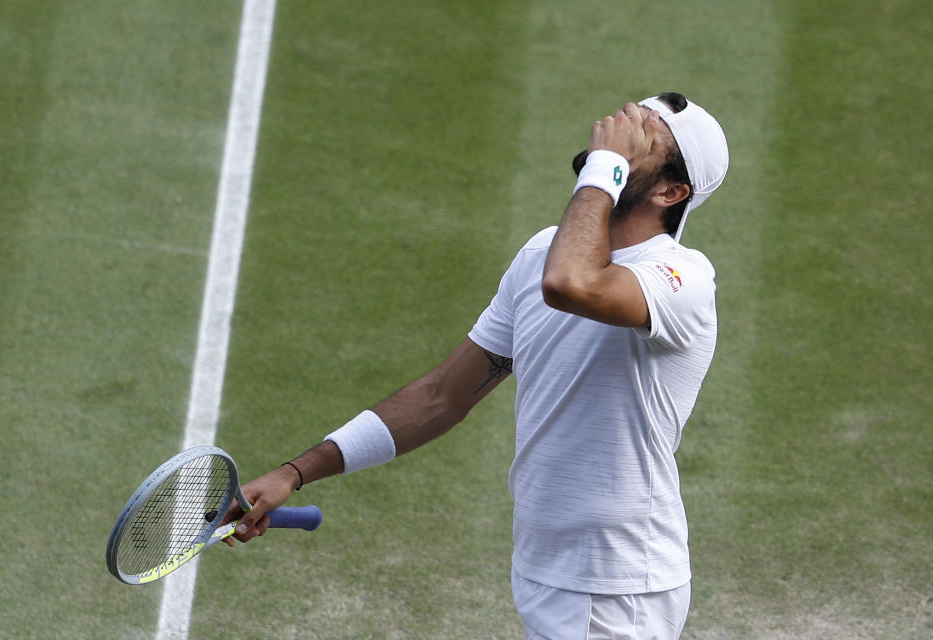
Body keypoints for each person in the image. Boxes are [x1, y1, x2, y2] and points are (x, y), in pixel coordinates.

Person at [221, 91, 729, 639]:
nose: (615, 134)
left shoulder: (681, 278)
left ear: (670, 191)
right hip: (545, 565)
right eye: (625, 120)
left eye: (642, 138)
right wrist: (295, 473)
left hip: (616, 582)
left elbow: (571, 285)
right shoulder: (542, 253)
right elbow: (443, 395)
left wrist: (604, 168)